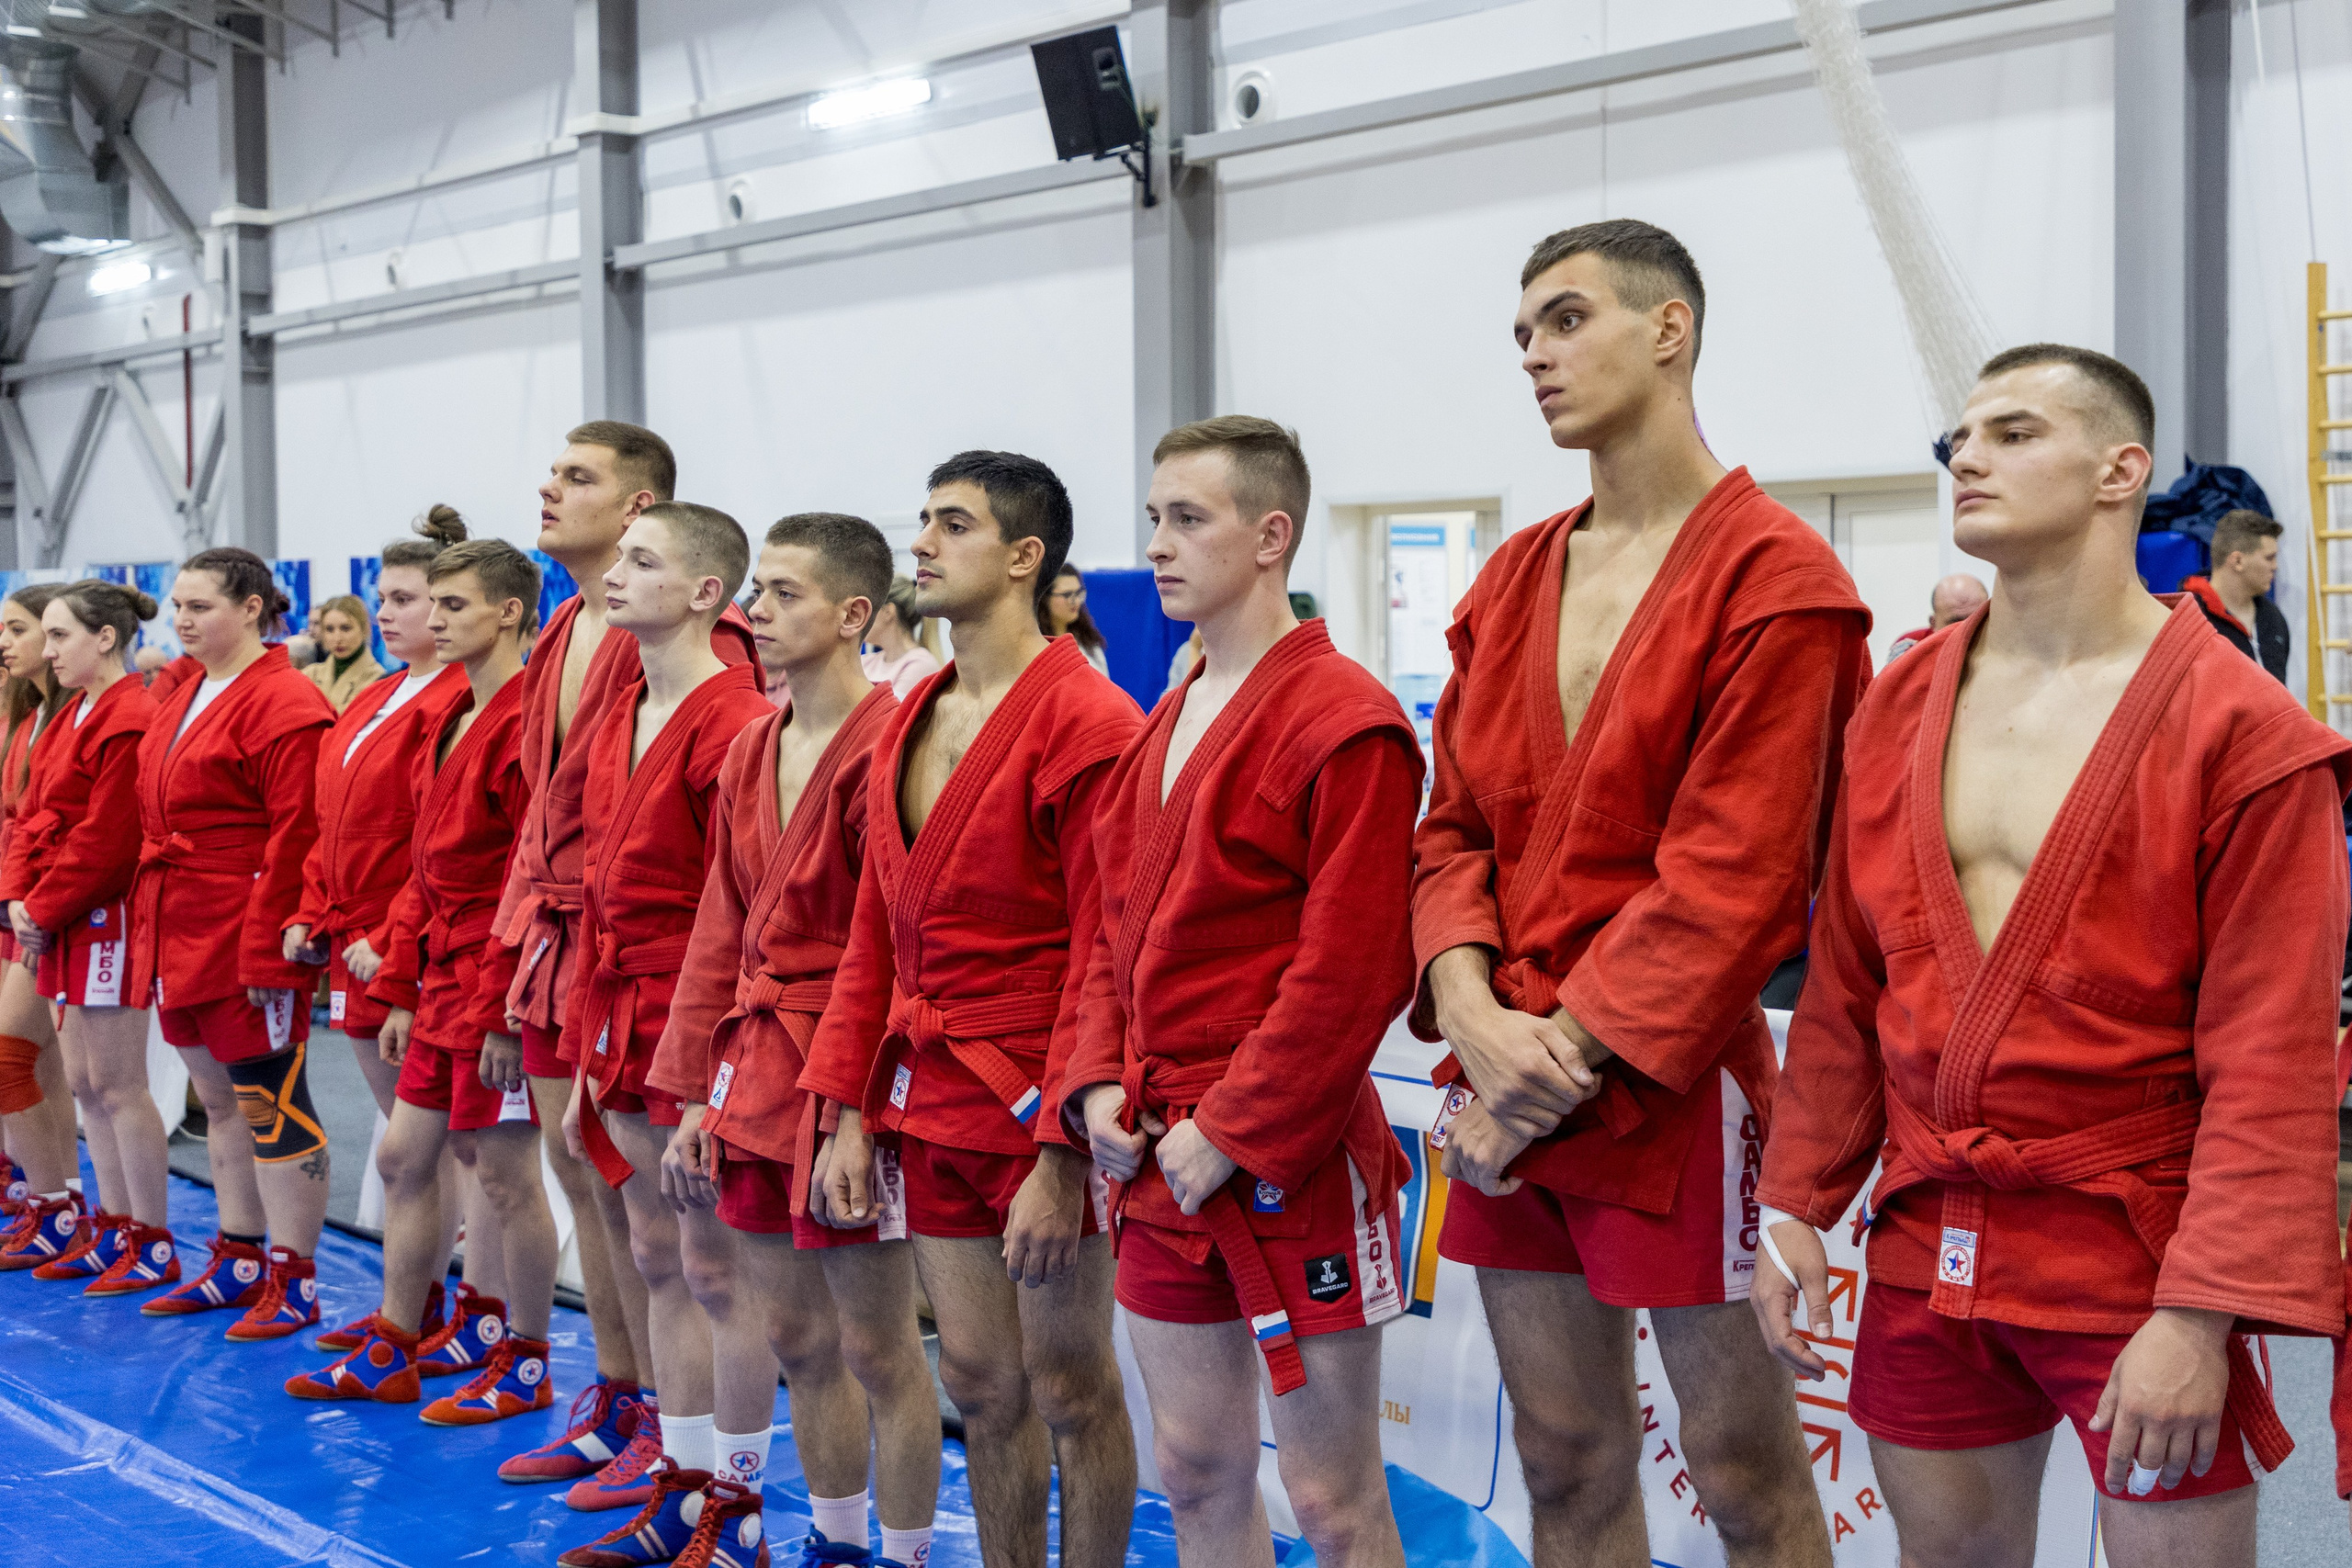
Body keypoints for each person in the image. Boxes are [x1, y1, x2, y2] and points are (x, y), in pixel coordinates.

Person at [1754, 344, 2352, 1566]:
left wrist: (2197, 1314)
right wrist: (1796, 1200)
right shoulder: (1901, 699)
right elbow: (1851, 987)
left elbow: (2273, 1058)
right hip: (1932, 1226)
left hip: (2129, 1238)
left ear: (2119, 470)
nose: (1967, 455)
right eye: (1959, 439)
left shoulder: (2245, 735)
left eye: (2014, 432)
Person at [1409, 220, 1868, 1568]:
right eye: (1523, 337)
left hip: (1663, 1085)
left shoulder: (1780, 581)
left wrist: (1556, 1055)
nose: (1536, 357)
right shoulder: (1509, 579)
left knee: (1742, 1473)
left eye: (1566, 320)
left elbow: (1740, 875)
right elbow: (1447, 833)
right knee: (1559, 1457)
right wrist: (1468, 1006)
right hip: (1509, 1067)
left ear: (1670, 329)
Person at [1067, 418, 1420, 1567]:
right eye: (1155, 518)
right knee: (1197, 1472)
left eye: (1188, 519)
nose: (1158, 546)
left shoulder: (1346, 720)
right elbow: (1107, 937)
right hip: (1155, 1146)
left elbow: (1354, 963)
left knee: (1331, 1497)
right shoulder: (1161, 723)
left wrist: (1234, 1129)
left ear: (1270, 537)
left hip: (1287, 1157)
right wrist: (1090, 1092)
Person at [802, 451, 1141, 1568]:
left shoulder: (1088, 719)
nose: (926, 543)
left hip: (1039, 1103)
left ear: (1022, 556)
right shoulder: (910, 716)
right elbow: (872, 934)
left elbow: (1108, 952)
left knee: (1073, 1386)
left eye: (953, 524)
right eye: (925, 521)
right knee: (983, 1385)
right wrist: (850, 1110)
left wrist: (1061, 1154)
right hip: (927, 1100)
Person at [644, 513, 941, 1568]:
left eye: (782, 594)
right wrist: (693, 1096)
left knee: (876, 1343)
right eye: (754, 591)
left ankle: (899, 1556)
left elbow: (897, 947)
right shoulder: (752, 747)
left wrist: (857, 1111)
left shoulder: (897, 744)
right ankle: (835, 1542)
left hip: (850, 1065)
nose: (754, 612)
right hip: (756, 1059)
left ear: (854, 614)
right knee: (797, 1338)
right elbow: (719, 927)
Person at [492, 422, 751, 1495]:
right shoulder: (567, 628)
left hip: (652, 967)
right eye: (553, 473)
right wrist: (517, 953)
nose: (549, 489)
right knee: (585, 1184)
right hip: (565, 948)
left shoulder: (712, 655)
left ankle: (684, 1430)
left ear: (641, 504)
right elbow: (544, 811)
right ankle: (623, 1395)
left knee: (658, 1217)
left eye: (578, 477)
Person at [288, 538, 560, 1425]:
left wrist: (503, 1012)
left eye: (450, 606)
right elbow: (424, 865)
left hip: (496, 979)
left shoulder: (525, 720)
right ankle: (400, 1342)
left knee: (509, 1177)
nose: (431, 621)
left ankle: (523, 1355)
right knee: (407, 1155)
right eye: (424, 605)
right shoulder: (447, 716)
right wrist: (403, 981)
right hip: (441, 972)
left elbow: (530, 880)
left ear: (510, 611)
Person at [547, 501, 773, 1568]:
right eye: (618, 558)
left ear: (704, 593)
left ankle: (742, 1495)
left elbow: (743, 905)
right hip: (615, 1005)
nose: (613, 575)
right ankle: (683, 1484)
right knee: (656, 1251)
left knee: (718, 1270)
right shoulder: (623, 701)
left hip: (699, 1017)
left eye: (642, 560)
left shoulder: (734, 718)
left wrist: (712, 1055)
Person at [131, 547, 338, 1339]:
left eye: (199, 606)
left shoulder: (284, 701)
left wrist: (270, 948)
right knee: (217, 1100)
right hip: (180, 917)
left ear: (252, 608)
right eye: (176, 606)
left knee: (271, 1097)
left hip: (242, 921)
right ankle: (242, 1254)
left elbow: (299, 832)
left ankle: (295, 1275)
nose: (181, 619)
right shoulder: (190, 690)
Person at [287, 511, 478, 1359]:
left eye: (408, 598)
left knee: (429, 1154)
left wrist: (395, 946)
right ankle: (418, 1297)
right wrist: (314, 908)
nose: (391, 613)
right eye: (385, 597)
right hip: (357, 937)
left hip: (408, 944)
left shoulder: (452, 701)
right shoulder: (374, 693)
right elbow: (332, 821)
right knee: (411, 1153)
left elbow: (432, 841)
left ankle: (452, 1309)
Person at [2, 581, 165, 1292]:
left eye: (56, 633)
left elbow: (106, 837)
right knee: (85, 1082)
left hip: (102, 915)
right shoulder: (67, 716)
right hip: (60, 913)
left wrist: (39, 902)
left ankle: (145, 1235)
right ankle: (106, 1220)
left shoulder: (127, 711)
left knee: (118, 1084)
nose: (46, 647)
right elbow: (33, 816)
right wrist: (24, 896)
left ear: (104, 637)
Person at [0, 585, 76, 1266]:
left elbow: (73, 831)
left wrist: (31, 900)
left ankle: (54, 1200)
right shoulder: (33, 718)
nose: (7, 642)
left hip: (47, 911)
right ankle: (57, 1198)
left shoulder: (75, 718)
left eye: (19, 628)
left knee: (12, 1057)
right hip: (22, 904)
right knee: (46, 1063)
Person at [2183, 509, 2290, 681]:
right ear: (2238, 561)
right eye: (2269, 558)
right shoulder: (2189, 619)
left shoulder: (2273, 618)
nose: (2275, 566)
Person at [860, 575, 944, 699]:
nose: (862, 617)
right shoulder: (867, 661)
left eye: (868, 609)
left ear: (888, 612)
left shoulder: (920, 664)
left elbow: (890, 715)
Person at [304, 593, 386, 711]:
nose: (337, 638)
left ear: (364, 629)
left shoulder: (378, 678)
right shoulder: (310, 674)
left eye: (346, 628)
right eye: (329, 629)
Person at [1886, 572, 1990, 659]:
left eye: (1977, 620)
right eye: (1955, 622)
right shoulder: (1909, 648)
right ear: (1933, 623)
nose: (1968, 630)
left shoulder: (2001, 647)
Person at [1039, 563, 1109, 675]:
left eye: (1078, 593)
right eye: (1067, 595)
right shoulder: (1037, 645)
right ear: (1045, 597)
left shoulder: (1087, 640)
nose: (1076, 601)